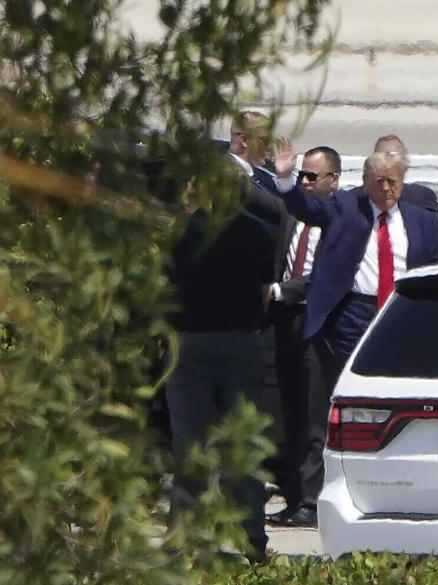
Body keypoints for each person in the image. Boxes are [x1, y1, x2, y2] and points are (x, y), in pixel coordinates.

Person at [272, 138, 438, 376]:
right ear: (366, 183)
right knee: (352, 380)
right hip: (355, 315)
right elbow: (310, 209)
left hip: (401, 312)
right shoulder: (347, 208)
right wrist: (286, 180)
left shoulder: (423, 222)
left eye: (393, 181)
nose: (387, 188)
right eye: (380, 182)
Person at [165, 180, 275, 562]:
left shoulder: (176, 231)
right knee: (242, 446)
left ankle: (184, 537)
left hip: (188, 343)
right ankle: (252, 538)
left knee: (189, 446)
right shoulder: (255, 231)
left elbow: (164, 287)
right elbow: (265, 285)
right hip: (241, 340)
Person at [265, 146, 341, 527]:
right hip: (284, 322)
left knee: (314, 414)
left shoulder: (340, 219)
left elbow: (324, 275)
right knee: (287, 411)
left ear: (334, 180)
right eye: (302, 177)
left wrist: (281, 291)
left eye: (313, 177)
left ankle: (311, 502)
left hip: (316, 322)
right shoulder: (291, 215)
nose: (306, 184)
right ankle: (293, 496)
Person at [342, 134, 438, 214]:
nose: (387, 165)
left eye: (393, 158)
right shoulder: (352, 202)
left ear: (406, 164)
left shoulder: (420, 199)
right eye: (380, 159)